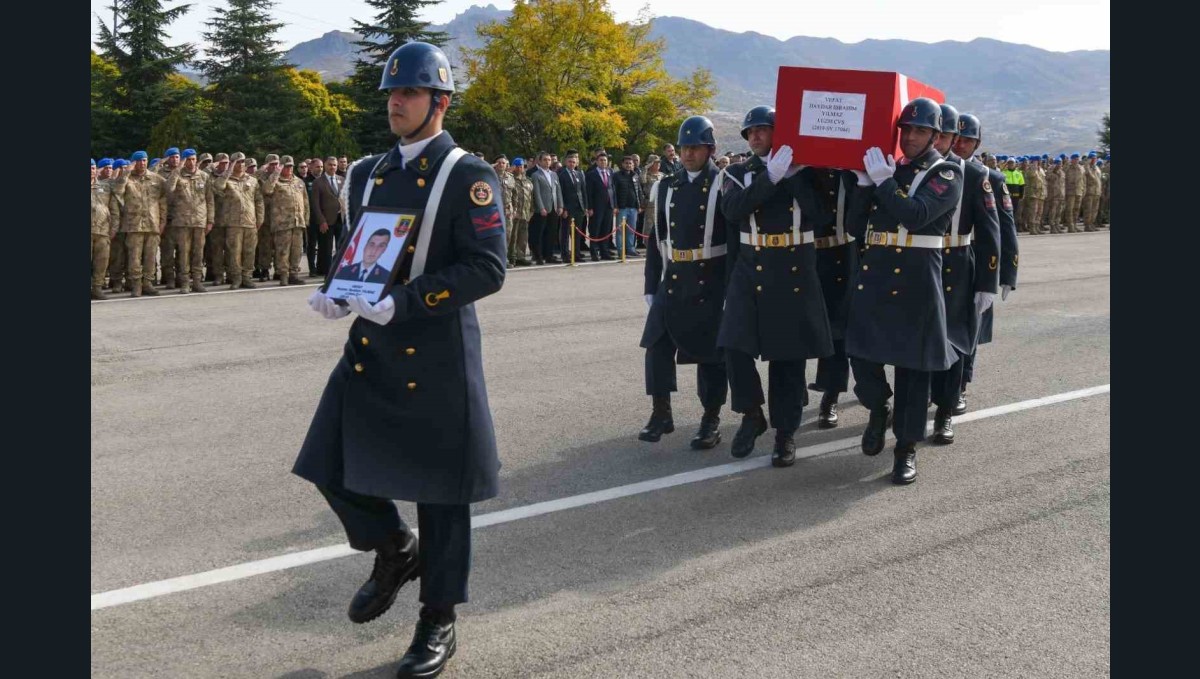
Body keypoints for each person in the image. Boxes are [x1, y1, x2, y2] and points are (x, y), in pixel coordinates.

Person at [295, 41, 507, 679]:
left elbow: (487, 268)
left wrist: (406, 302)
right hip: (371, 347)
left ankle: (438, 617)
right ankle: (393, 546)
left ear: (440, 102)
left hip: (434, 348)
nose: (396, 102)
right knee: (326, 460)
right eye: (392, 91)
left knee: (442, 496)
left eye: (409, 92)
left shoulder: (467, 175)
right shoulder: (368, 172)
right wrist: (339, 289)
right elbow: (362, 247)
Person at [842, 97, 963, 485]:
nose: (910, 137)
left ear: (935, 136)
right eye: (906, 129)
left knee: (913, 372)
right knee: (860, 354)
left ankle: (906, 448)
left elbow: (916, 216)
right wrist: (864, 186)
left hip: (916, 279)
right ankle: (878, 407)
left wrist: (882, 183)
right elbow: (855, 227)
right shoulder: (889, 170)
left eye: (920, 130)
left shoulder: (947, 173)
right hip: (875, 273)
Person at [719, 105, 834, 467]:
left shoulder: (806, 173)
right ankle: (752, 413)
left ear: (778, 133)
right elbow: (733, 209)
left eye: (762, 129)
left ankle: (785, 434)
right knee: (733, 344)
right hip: (750, 267)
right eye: (750, 131)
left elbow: (822, 216)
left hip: (793, 269)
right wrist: (770, 176)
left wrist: (795, 177)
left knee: (788, 358)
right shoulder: (737, 172)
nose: (754, 136)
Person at [639, 116, 730, 449]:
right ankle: (661, 412)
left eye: (695, 147)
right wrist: (651, 284)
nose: (688, 154)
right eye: (684, 148)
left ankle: (710, 420)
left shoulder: (724, 184)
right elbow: (656, 239)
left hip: (710, 282)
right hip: (674, 277)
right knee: (656, 344)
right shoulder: (666, 186)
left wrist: (732, 289)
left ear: (710, 150)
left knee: (711, 356)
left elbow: (735, 242)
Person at [926, 108, 1000, 445]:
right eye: (936, 135)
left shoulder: (973, 174)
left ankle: (944, 412)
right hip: (921, 261)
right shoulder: (915, 169)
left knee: (954, 342)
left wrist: (988, 282)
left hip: (956, 262)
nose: (939, 142)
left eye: (945, 136)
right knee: (921, 339)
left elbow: (990, 230)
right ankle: (917, 401)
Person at [952, 117, 1018, 415]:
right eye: (956, 138)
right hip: (945, 259)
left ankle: (960, 386)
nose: (959, 144)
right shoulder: (936, 171)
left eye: (966, 140)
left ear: (977, 144)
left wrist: (1007, 273)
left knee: (970, 330)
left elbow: (1005, 229)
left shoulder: (991, 178)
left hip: (978, 262)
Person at [110, 150, 169, 297]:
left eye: (144, 160)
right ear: (133, 162)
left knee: (151, 257)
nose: (142, 163)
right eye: (139, 161)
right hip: (133, 225)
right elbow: (117, 191)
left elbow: (163, 201)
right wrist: (126, 173)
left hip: (152, 224)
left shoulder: (157, 179)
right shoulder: (127, 179)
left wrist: (162, 221)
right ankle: (136, 285)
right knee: (134, 258)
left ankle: (147, 283)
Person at [163, 148, 215, 294]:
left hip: (199, 220)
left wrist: (210, 220)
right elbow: (169, 189)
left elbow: (209, 199)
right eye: (188, 160)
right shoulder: (177, 175)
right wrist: (177, 170)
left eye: (193, 159)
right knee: (184, 253)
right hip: (182, 221)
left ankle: (197, 282)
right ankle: (185, 283)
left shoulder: (204, 176)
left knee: (198, 253)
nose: (191, 162)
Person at [212, 152, 265, 289]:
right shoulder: (226, 180)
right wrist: (228, 171)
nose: (241, 164)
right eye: (237, 162)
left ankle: (247, 277)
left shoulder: (252, 180)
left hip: (250, 221)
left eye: (242, 161)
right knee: (234, 252)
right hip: (233, 223)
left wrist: (260, 219)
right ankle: (236, 278)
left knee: (249, 251)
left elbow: (259, 201)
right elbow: (218, 186)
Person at [261, 155, 310, 286]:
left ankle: (293, 274)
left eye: (291, 166)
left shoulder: (299, 182)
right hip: (282, 223)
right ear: (281, 167)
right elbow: (266, 190)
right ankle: (283, 275)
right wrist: (275, 174)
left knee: (297, 251)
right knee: (282, 251)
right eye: (286, 166)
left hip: (298, 222)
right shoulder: (275, 182)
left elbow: (305, 202)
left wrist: (306, 219)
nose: (289, 169)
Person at [528, 151, 564, 264]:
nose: (547, 162)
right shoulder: (536, 175)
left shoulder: (554, 174)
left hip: (554, 207)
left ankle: (549, 255)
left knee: (551, 233)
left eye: (549, 160)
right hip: (542, 209)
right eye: (545, 160)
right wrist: (541, 207)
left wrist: (560, 205)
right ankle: (538, 256)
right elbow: (536, 193)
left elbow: (558, 191)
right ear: (539, 161)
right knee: (539, 233)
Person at [91, 159, 120, 300]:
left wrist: (114, 228)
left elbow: (114, 209)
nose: (91, 171)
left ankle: (97, 288)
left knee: (101, 261)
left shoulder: (105, 186)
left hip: (103, 230)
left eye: (92, 168)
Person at [312, 156, 344, 276]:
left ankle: (339, 269)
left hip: (341, 219)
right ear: (325, 165)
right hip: (326, 220)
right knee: (326, 248)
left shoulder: (342, 179)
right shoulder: (318, 182)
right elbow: (315, 204)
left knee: (341, 246)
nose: (332, 167)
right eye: (330, 165)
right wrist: (321, 220)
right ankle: (327, 272)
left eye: (334, 165)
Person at [557, 151, 589, 261]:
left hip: (579, 207)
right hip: (568, 208)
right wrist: (564, 208)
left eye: (573, 162)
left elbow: (583, 191)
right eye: (570, 162)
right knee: (565, 233)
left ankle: (576, 254)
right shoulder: (562, 175)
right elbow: (560, 193)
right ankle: (565, 255)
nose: (572, 164)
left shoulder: (579, 174)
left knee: (577, 233)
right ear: (566, 162)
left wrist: (585, 206)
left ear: (576, 163)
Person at [585, 152, 617, 260]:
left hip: (608, 206)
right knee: (595, 230)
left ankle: (604, 252)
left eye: (605, 160)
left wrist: (614, 205)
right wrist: (590, 207)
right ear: (597, 162)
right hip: (596, 207)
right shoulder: (591, 174)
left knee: (606, 230)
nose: (603, 162)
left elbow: (612, 189)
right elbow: (589, 192)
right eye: (601, 160)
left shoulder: (610, 172)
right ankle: (594, 253)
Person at [612, 155, 643, 257]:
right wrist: (615, 206)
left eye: (630, 163)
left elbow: (639, 191)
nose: (628, 165)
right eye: (626, 163)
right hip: (622, 208)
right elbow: (613, 192)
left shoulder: (635, 175)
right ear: (622, 164)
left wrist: (640, 205)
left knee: (631, 230)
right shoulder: (616, 176)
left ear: (633, 165)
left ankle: (630, 249)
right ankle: (621, 251)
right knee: (620, 231)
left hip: (633, 208)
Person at [508, 158, 534, 266]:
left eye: (522, 166)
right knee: (513, 237)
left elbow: (531, 197)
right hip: (514, 213)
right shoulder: (510, 179)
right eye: (517, 166)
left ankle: (521, 256)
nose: (520, 168)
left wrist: (531, 210)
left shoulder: (528, 181)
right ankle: (511, 257)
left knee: (523, 237)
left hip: (525, 213)